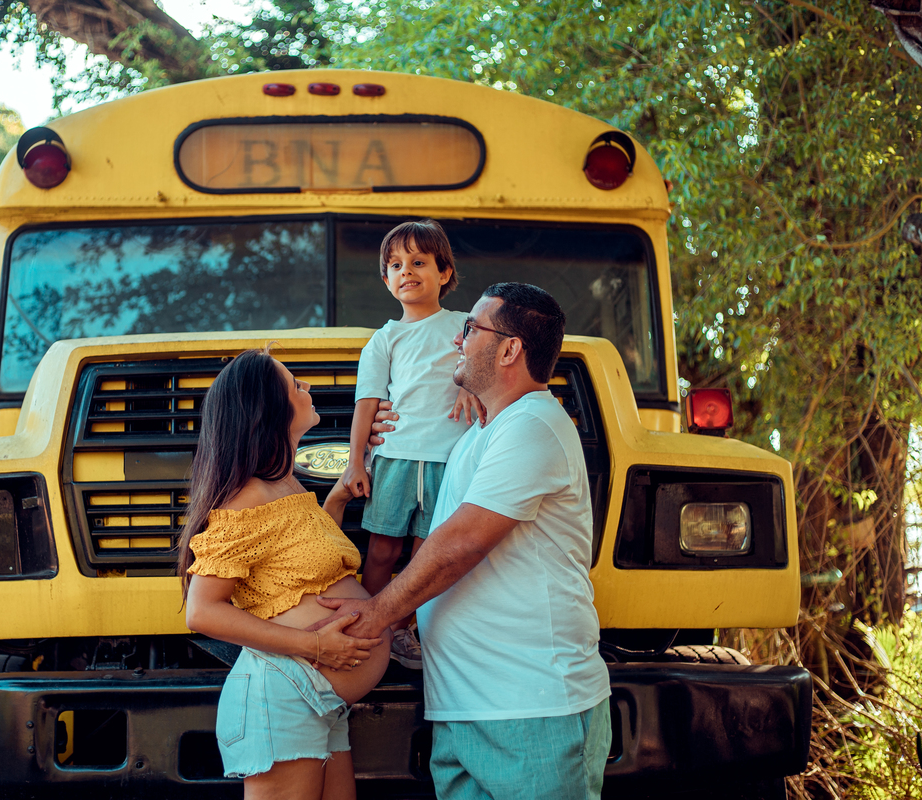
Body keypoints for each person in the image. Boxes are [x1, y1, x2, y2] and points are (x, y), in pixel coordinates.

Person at [318, 283, 612, 800]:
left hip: (531, 709)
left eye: (471, 328)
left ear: (509, 349)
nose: (456, 338)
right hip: (463, 708)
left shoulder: (533, 427)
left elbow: (460, 545)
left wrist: (375, 615)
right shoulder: (483, 431)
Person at [180, 349, 390, 799]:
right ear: (267, 407)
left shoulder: (285, 485)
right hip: (284, 694)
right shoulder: (247, 498)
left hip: (317, 697)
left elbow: (298, 567)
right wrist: (315, 645)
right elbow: (201, 612)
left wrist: (334, 501)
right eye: (295, 384)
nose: (308, 388)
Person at [341, 219, 484, 669]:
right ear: (386, 280)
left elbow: (480, 367)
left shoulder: (467, 326)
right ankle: (367, 621)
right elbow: (366, 404)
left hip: (448, 460)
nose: (407, 271)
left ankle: (404, 630)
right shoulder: (385, 338)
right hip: (396, 458)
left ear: (444, 273)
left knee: (425, 555)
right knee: (382, 549)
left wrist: (469, 384)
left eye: (419, 262)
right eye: (396, 265)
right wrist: (355, 463)